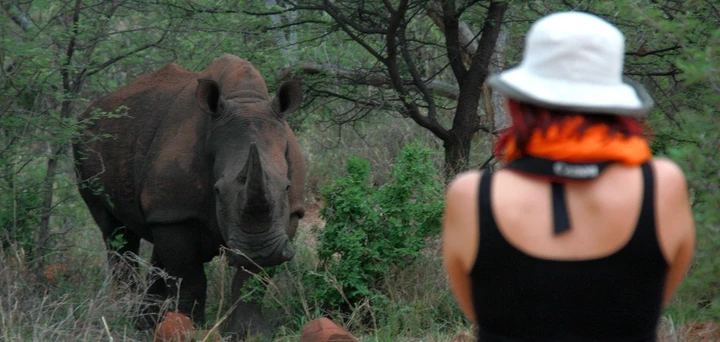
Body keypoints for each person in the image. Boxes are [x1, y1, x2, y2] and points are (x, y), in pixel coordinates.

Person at [441, 11, 695, 341]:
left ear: (519, 101)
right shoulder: (663, 185)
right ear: (616, 103)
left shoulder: (471, 195)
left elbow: (482, 315)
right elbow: (651, 302)